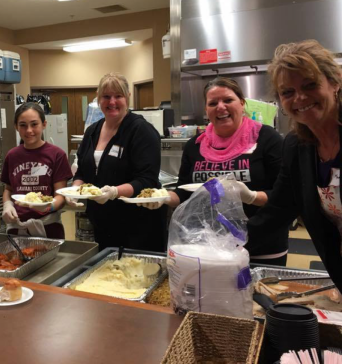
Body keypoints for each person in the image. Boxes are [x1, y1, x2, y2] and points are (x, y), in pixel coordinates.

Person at [142, 77, 288, 265]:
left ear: (242, 104)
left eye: (228, 100)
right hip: (210, 246)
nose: (220, 107)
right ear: (206, 110)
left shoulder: (267, 139)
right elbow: (184, 192)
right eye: (213, 103)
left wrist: (252, 196)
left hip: (262, 245)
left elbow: (284, 196)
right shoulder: (195, 146)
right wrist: (163, 197)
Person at [248, 40, 342, 291]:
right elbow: (279, 208)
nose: (299, 98)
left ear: (334, 83)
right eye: (287, 92)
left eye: (310, 85)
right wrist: (229, 245)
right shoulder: (296, 146)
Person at [69, 72, 164, 251]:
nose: (112, 102)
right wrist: (76, 189)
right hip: (102, 223)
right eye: (106, 96)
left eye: (118, 96)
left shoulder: (141, 130)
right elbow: (82, 170)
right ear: (98, 100)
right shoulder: (92, 132)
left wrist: (114, 192)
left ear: (127, 97)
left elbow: (147, 180)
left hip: (137, 227)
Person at [0, 102, 73, 239]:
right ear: (16, 127)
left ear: (44, 124)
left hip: (48, 228)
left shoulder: (56, 155)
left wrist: (48, 207)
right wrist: (7, 205)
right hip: (17, 227)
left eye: (34, 124)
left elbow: (61, 195)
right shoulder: (12, 155)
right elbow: (8, 189)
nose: (29, 130)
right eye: (23, 125)